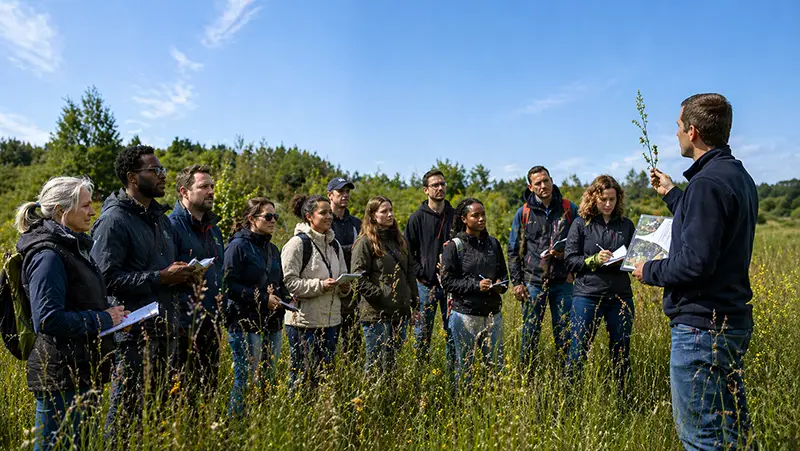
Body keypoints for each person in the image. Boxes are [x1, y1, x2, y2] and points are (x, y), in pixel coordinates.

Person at [632, 93, 759, 449]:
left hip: (702, 329)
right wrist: (673, 194)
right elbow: (708, 228)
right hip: (729, 324)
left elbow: (695, 263)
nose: (675, 134)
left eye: (677, 127)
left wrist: (650, 269)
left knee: (702, 438)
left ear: (693, 130)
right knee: (734, 435)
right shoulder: (737, 176)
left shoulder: (707, 184)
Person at [14, 177, 127, 451]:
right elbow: (47, 319)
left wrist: (115, 318)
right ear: (62, 211)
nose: (92, 211)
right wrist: (103, 319)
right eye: (86, 205)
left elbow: (78, 302)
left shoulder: (71, 247)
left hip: (79, 370)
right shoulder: (48, 255)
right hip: (60, 376)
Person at [91, 145, 195, 437]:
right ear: (132, 178)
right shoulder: (114, 221)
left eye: (162, 170)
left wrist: (184, 275)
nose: (163, 175)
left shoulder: (160, 219)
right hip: (132, 336)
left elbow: (162, 270)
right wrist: (160, 278)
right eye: (156, 170)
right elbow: (106, 279)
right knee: (125, 416)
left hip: (165, 330)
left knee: (156, 416)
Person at [564, 175, 635, 398]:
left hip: (620, 296)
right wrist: (593, 260)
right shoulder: (581, 223)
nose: (608, 204)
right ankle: (570, 401)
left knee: (621, 353)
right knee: (577, 352)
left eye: (612, 199)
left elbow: (635, 258)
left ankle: (624, 401)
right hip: (587, 295)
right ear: (594, 198)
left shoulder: (626, 225)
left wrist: (631, 261)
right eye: (603, 199)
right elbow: (569, 259)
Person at [507, 165, 578, 374]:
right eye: (537, 183)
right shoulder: (524, 212)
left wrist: (571, 267)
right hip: (533, 282)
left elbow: (580, 242)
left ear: (551, 180)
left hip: (563, 282)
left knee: (564, 334)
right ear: (530, 187)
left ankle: (565, 378)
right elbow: (513, 250)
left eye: (546, 180)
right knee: (529, 334)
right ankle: (526, 377)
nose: (543, 185)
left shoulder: (568, 208)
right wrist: (517, 282)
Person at [224, 197, 290, 416]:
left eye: (275, 216)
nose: (273, 221)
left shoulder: (273, 248)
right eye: (268, 216)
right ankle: (235, 427)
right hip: (245, 323)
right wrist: (262, 299)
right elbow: (228, 285)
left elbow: (278, 282)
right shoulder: (237, 246)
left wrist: (286, 297)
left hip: (272, 322)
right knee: (245, 380)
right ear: (252, 219)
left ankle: (260, 422)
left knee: (267, 379)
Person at [281, 194, 351, 389]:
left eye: (330, 212)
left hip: (331, 321)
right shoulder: (297, 244)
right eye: (323, 213)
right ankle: (296, 414)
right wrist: (320, 286)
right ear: (309, 216)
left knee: (324, 378)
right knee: (301, 378)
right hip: (304, 323)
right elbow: (288, 283)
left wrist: (345, 287)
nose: (329, 216)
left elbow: (342, 275)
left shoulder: (334, 245)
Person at [169, 165, 225, 400]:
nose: (211, 191)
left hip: (211, 322)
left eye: (212, 186)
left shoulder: (215, 230)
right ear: (184, 191)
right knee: (180, 395)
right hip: (182, 326)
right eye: (203, 186)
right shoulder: (169, 226)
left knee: (207, 393)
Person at [440, 198, 508, 388]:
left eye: (483, 215)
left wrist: (500, 285)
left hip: (492, 314)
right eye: (475, 215)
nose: (481, 219)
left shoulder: (493, 244)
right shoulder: (455, 246)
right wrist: (476, 286)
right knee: (464, 368)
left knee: (496, 367)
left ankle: (494, 404)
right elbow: (447, 281)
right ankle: (460, 404)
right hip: (465, 315)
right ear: (464, 218)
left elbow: (503, 274)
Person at [351, 196, 416, 376]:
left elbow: (410, 272)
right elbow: (358, 278)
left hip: (400, 313)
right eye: (384, 211)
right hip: (375, 315)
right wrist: (382, 295)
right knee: (375, 364)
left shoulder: (399, 240)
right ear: (372, 215)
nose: (390, 215)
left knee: (392, 365)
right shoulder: (364, 242)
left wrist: (413, 302)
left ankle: (388, 401)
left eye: (391, 210)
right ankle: (369, 401)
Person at [405, 169, 456, 370]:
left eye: (442, 184)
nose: (440, 188)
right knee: (422, 335)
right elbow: (409, 252)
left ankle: (452, 374)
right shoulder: (416, 218)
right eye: (435, 185)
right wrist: (423, 273)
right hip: (425, 286)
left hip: (452, 286)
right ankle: (420, 373)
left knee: (452, 332)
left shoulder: (455, 216)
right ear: (426, 190)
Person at [327, 177, 362, 355]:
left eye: (347, 191)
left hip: (353, 288)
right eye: (340, 191)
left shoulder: (357, 223)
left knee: (353, 341)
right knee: (328, 342)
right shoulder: (324, 221)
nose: (345, 195)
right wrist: (350, 249)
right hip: (329, 286)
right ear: (330, 195)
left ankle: (352, 376)